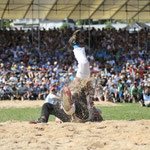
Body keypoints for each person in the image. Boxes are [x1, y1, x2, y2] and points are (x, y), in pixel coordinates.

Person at [62, 30, 103, 122]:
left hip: (79, 87)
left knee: (84, 63)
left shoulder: (83, 97)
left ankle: (74, 45)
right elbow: (91, 104)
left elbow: (73, 91)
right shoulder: (88, 97)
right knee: (84, 63)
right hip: (82, 84)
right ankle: (76, 45)